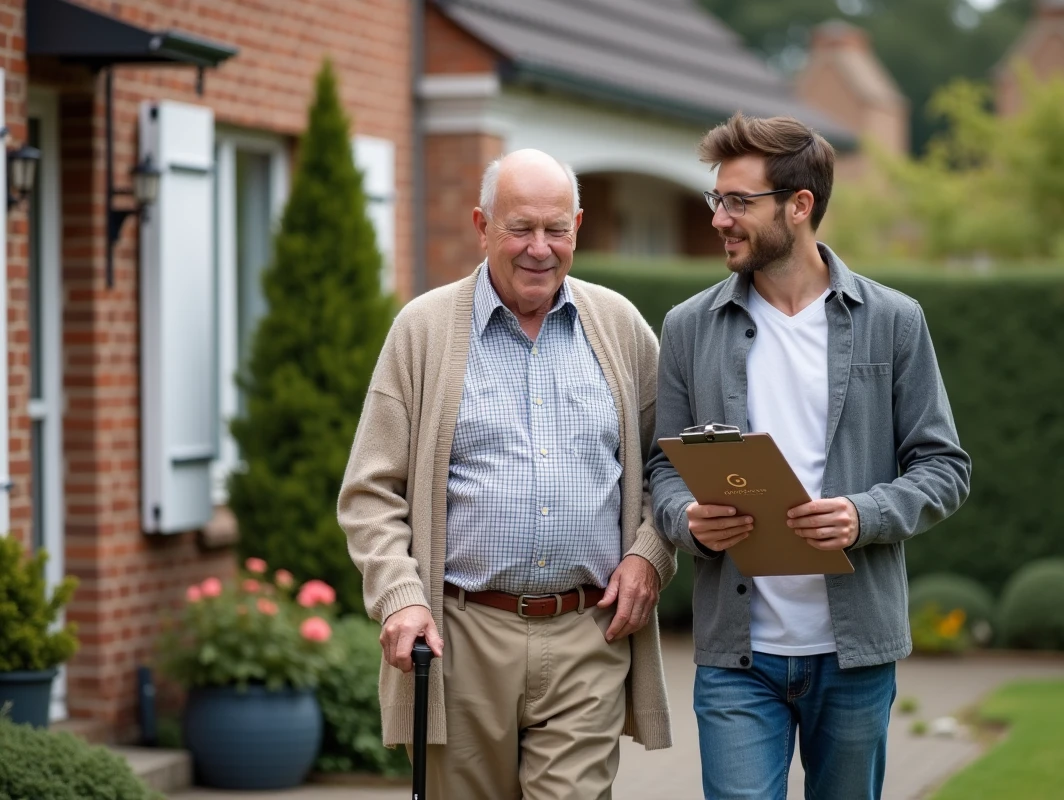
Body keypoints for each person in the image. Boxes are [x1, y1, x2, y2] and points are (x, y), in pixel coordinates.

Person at [647, 113, 971, 800]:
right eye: (717, 200)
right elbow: (663, 468)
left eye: (738, 202)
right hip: (737, 656)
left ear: (799, 207)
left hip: (854, 655)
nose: (719, 219)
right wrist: (687, 519)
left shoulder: (892, 321)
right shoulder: (687, 328)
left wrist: (863, 515)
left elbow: (945, 467)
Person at [338, 149, 674, 800]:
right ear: (481, 225)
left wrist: (650, 555)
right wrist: (400, 597)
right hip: (462, 638)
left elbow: (671, 463)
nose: (539, 249)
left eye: (557, 230)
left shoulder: (621, 328)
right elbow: (371, 492)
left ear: (578, 225)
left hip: (587, 633)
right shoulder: (423, 330)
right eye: (520, 228)